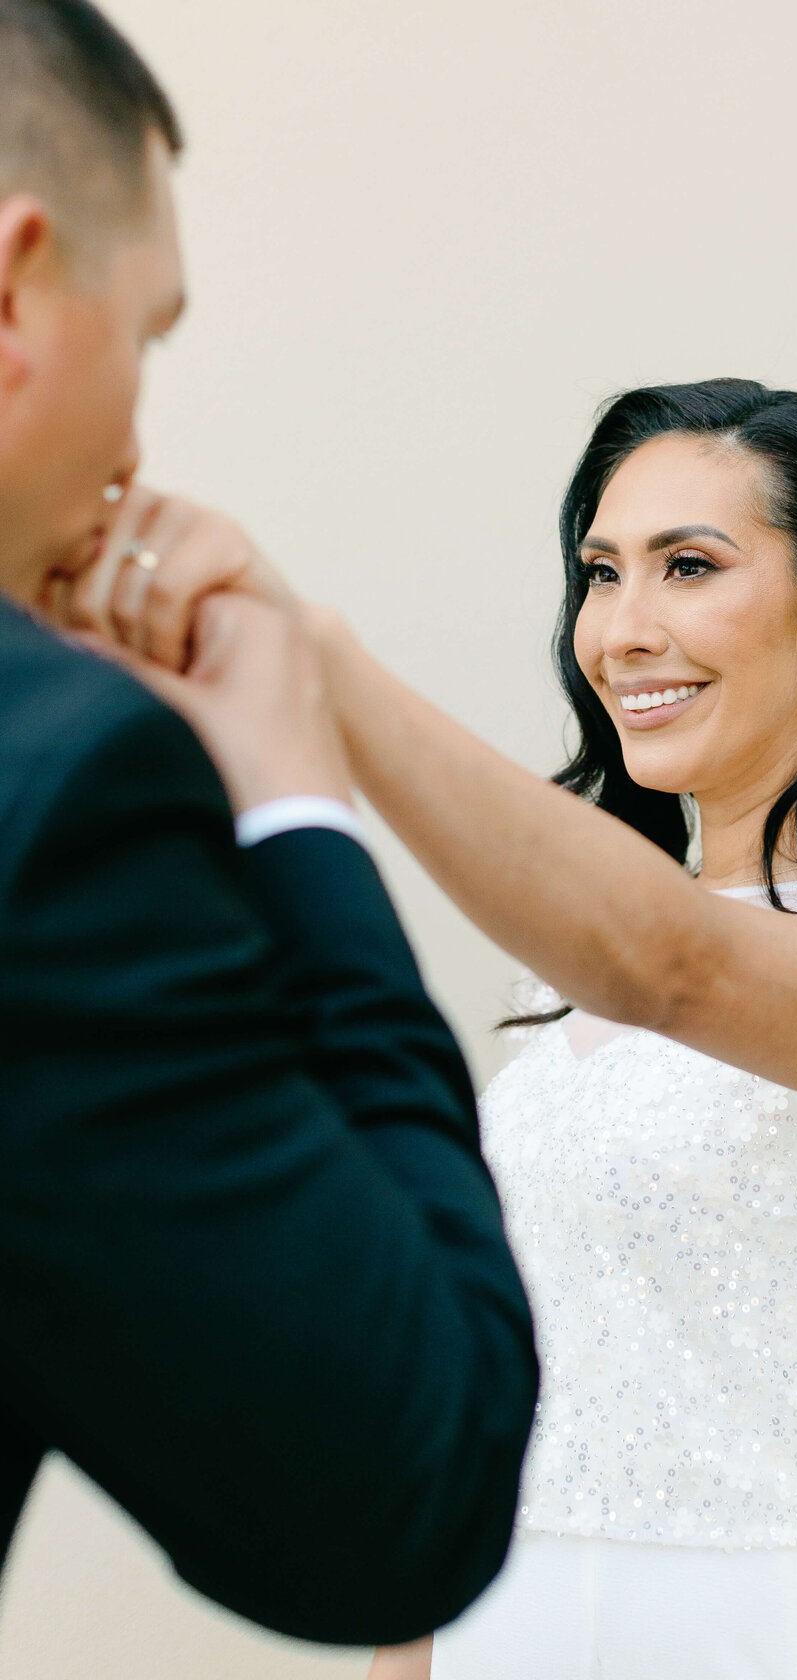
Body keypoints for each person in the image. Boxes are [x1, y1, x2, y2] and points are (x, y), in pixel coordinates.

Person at [74, 380, 797, 1680]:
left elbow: (673, 963)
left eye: (690, 567)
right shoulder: (568, 1021)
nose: (623, 631)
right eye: (602, 575)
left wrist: (315, 664)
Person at [0, 0, 537, 1650]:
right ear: (14, 287)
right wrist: (298, 805)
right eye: (147, 334)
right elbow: (394, 1486)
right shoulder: (63, 788)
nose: (137, 434)